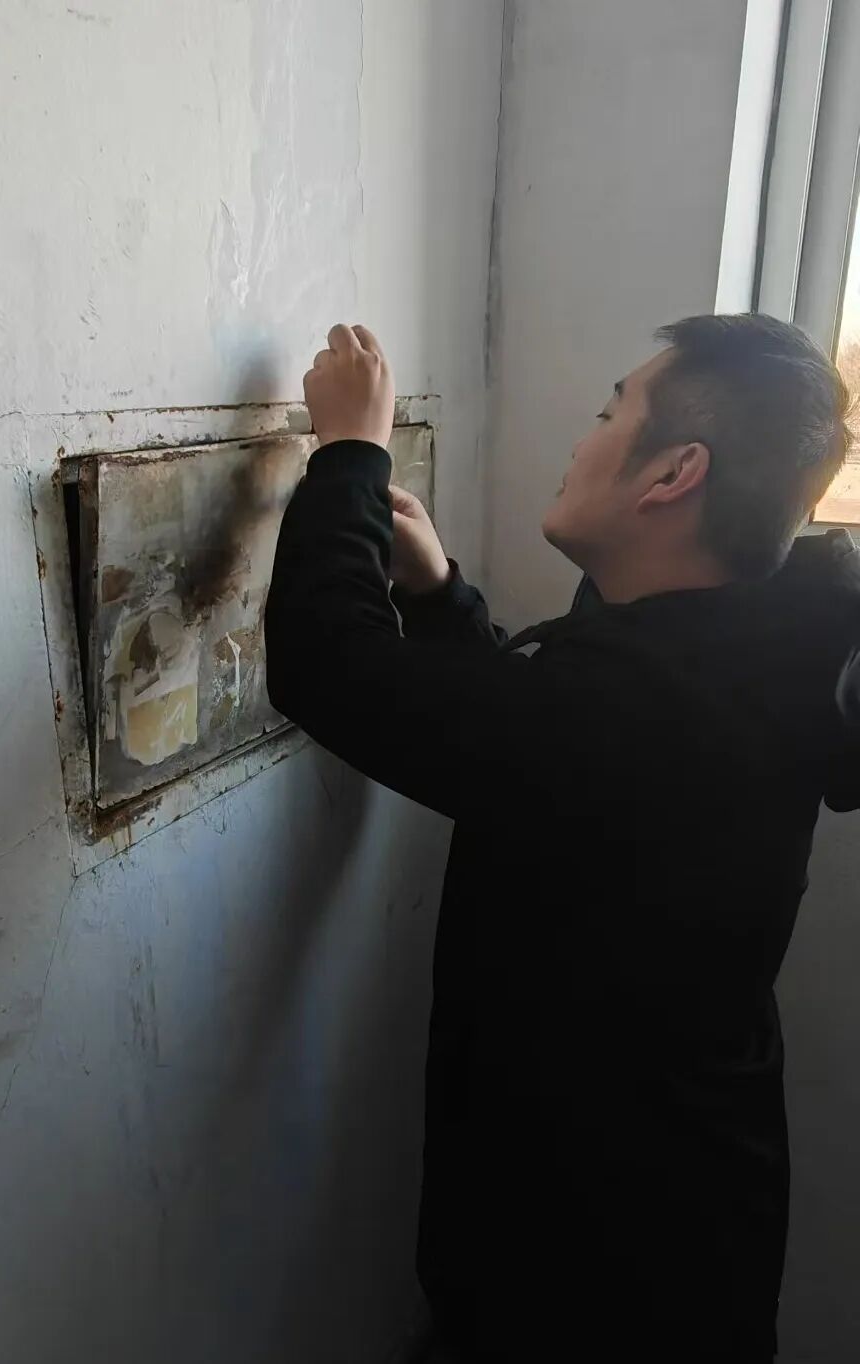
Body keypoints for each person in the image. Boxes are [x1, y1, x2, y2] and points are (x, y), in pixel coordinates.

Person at [264, 316, 859, 1361]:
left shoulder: (650, 716)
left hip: (600, 1267)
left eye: (607, 412)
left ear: (672, 473)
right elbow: (538, 744)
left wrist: (350, 452)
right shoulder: (741, 655)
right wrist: (440, 598)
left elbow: (330, 667)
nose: (584, 439)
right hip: (671, 1206)